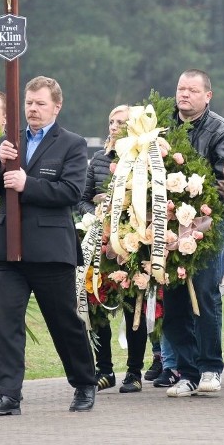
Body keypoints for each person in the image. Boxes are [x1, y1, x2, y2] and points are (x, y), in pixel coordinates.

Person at [0, 75, 96, 415]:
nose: (32, 109)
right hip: (7, 250)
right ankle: (8, 396)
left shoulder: (72, 144)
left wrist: (27, 184)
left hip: (50, 250)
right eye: (29, 102)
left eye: (40, 103)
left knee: (64, 323)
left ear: (56, 107)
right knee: (9, 322)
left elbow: (71, 192)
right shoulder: (9, 139)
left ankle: (85, 383)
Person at [163, 69, 224, 397]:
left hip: (207, 225)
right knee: (174, 299)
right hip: (167, 226)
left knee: (206, 295)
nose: (185, 94)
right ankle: (187, 371)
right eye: (181, 88)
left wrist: (198, 205)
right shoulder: (163, 128)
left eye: (193, 90)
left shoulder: (221, 130)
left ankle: (211, 367)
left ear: (207, 95)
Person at [77, 104, 154, 394]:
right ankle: (104, 369)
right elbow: (82, 198)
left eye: (121, 122)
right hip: (101, 241)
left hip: (132, 242)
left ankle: (134, 372)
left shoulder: (142, 159)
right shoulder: (98, 159)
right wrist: (96, 215)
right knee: (96, 305)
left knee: (133, 306)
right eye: (111, 121)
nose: (114, 126)